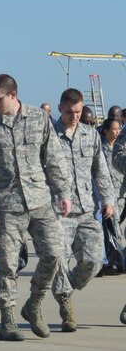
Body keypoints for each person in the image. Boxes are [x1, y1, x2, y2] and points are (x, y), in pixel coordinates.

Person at [0, 74, 72, 342]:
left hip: (40, 200)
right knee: (7, 263)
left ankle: (35, 302)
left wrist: (63, 192)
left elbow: (53, 157)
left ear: (13, 95)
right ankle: (8, 319)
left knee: (54, 253)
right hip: (6, 204)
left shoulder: (39, 118)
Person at [49, 88, 115, 332]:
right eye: (69, 112)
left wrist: (108, 199)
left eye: (78, 112)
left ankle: (65, 288)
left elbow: (100, 170)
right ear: (60, 109)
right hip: (58, 212)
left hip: (87, 209)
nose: (75, 116)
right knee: (58, 260)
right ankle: (65, 303)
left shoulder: (90, 135)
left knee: (93, 261)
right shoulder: (49, 137)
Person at [99, 117, 124, 276]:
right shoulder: (101, 150)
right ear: (106, 131)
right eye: (114, 129)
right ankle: (115, 261)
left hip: (121, 195)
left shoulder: (122, 150)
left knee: (117, 230)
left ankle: (117, 260)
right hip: (108, 196)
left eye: (119, 129)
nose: (117, 132)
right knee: (112, 229)